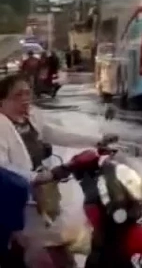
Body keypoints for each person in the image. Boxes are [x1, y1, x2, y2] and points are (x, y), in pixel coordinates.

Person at [0, 75, 107, 267]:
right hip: (15, 200)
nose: (25, 99)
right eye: (18, 95)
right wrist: (39, 177)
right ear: (2, 101)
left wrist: (96, 140)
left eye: (27, 93)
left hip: (42, 196)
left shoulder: (31, 118)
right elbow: (4, 169)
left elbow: (54, 132)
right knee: (45, 248)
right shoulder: (1, 126)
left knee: (63, 235)